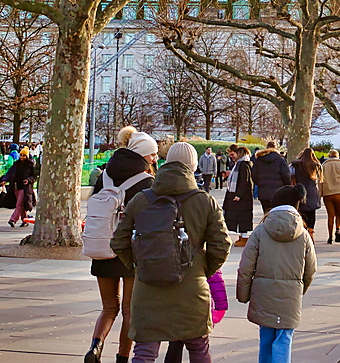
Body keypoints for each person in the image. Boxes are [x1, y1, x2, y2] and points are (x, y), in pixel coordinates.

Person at [111, 141, 231, 363]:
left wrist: (140, 265)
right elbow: (222, 245)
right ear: (194, 166)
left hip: (148, 289)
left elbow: (118, 242)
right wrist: (202, 269)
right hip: (192, 291)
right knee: (198, 349)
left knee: (145, 352)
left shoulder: (141, 199)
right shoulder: (205, 202)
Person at [84, 127, 157, 363]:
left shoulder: (105, 176)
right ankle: (122, 358)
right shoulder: (147, 181)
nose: (155, 159)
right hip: (130, 252)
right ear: (142, 155)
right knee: (129, 310)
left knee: (108, 307)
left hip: (102, 246)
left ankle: (96, 346)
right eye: (152, 155)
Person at [236, 184, 318, 363]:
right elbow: (311, 270)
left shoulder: (260, 231)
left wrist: (243, 295)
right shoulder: (303, 235)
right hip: (289, 297)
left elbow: (245, 267)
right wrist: (298, 290)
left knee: (266, 338)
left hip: (263, 295)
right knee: (284, 340)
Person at [223, 145, 254, 248]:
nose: (231, 156)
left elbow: (244, 181)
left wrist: (239, 195)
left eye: (233, 154)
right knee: (241, 217)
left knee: (242, 217)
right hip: (242, 197)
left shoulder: (243, 165)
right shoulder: (242, 164)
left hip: (242, 198)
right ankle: (242, 236)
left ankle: (244, 237)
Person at [319, 149, 340, 244]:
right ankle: (337, 230)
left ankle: (330, 236)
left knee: (330, 215)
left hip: (327, 193)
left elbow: (320, 180)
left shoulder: (324, 166)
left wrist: (320, 193)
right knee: (339, 214)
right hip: (339, 193)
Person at [290, 148, 323, 240]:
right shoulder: (316, 165)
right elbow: (319, 178)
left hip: (300, 190)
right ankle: (311, 230)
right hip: (312, 191)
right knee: (312, 212)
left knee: (301, 212)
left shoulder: (295, 164)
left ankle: (302, 230)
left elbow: (290, 175)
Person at [252, 141, 292, 213]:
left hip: (263, 191)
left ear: (266, 148)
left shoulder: (259, 160)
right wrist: (287, 186)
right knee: (277, 213)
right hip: (278, 192)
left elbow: (254, 175)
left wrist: (260, 183)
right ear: (276, 148)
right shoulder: (280, 160)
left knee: (266, 212)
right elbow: (286, 176)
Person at [7, 148, 36, 227]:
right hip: (16, 186)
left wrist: (28, 180)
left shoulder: (30, 165)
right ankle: (25, 220)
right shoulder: (16, 164)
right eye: (21, 155)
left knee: (19, 204)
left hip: (25, 188)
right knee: (21, 205)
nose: (22, 157)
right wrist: (5, 180)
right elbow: (10, 173)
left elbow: (34, 176)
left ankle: (13, 219)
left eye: (24, 155)